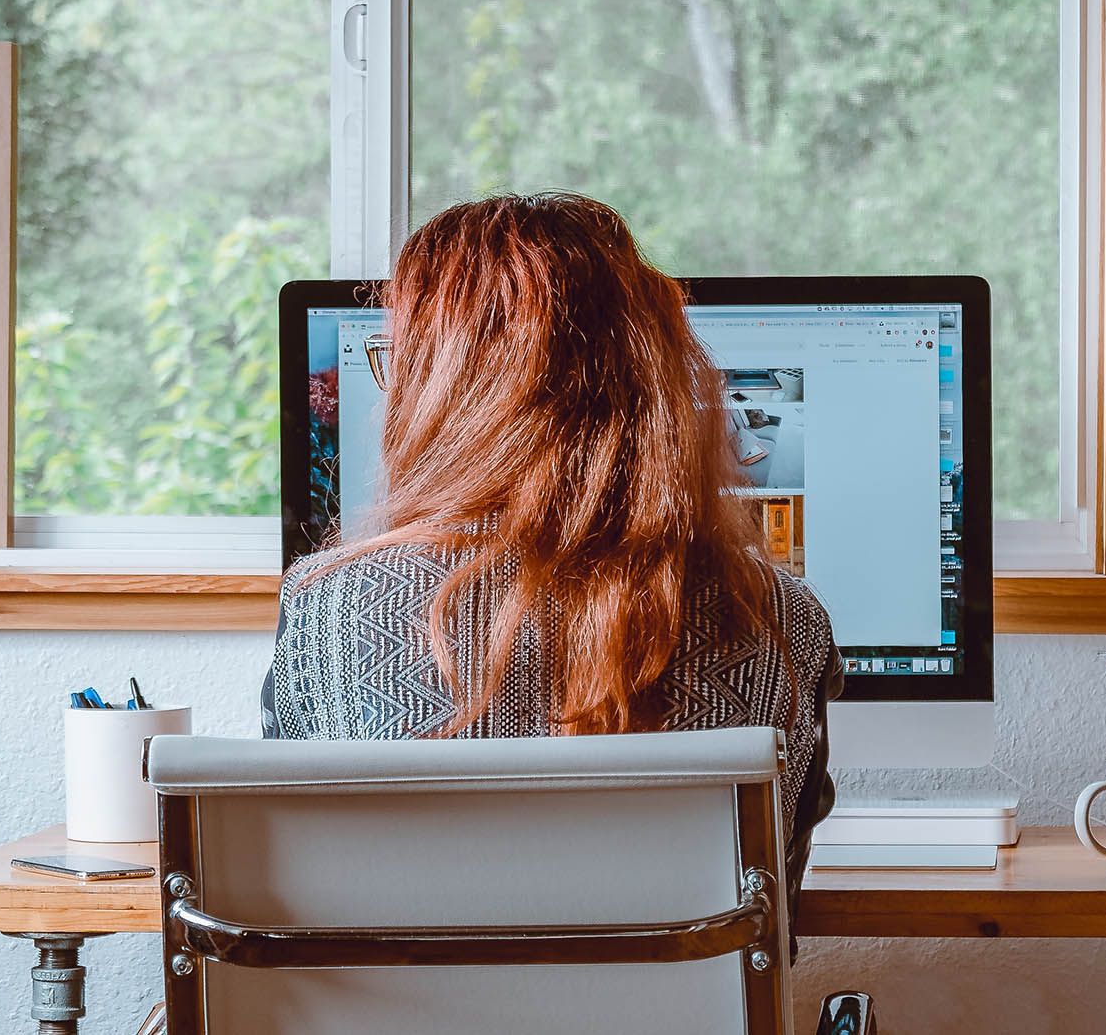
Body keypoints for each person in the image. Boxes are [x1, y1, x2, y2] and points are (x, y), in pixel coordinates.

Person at [262, 192, 843, 902]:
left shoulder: (327, 607)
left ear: (442, 388)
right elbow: (773, 902)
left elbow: (299, 874)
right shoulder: (780, 618)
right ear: (655, 382)